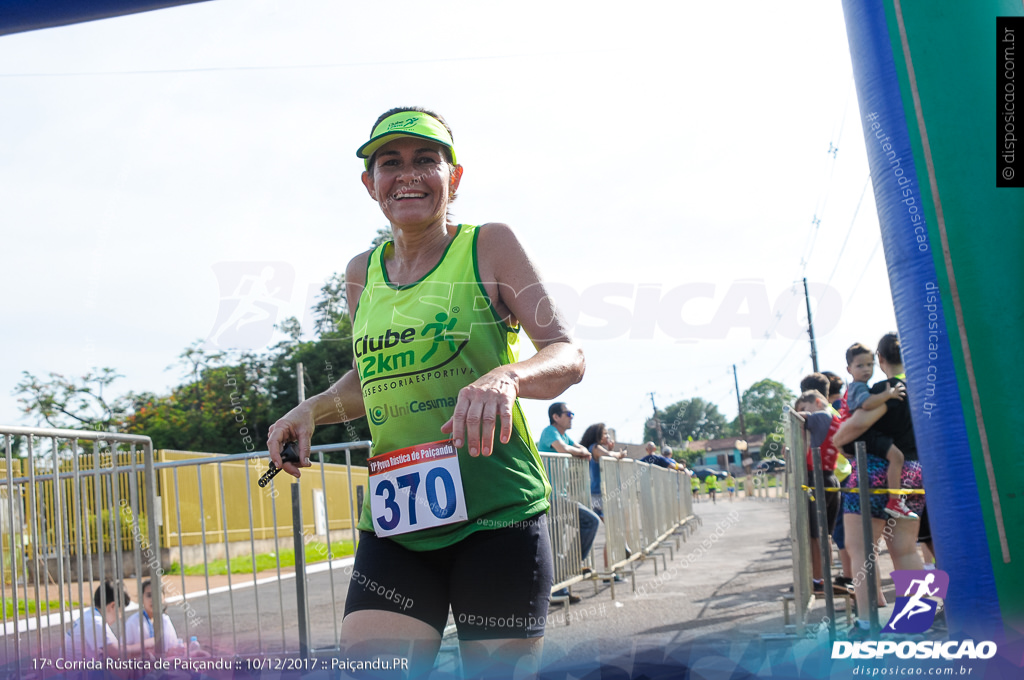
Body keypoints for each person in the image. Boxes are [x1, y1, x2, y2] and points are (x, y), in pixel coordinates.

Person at [267, 107, 585, 678]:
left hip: (498, 516)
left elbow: (567, 354)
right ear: (371, 185)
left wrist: (506, 377)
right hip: (398, 523)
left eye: (425, 161)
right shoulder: (361, 273)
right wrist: (311, 409)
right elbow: (372, 379)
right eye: (390, 163)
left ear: (453, 177)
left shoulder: (488, 245)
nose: (407, 174)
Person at [833, 333, 925, 638]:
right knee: (906, 549)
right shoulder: (921, 388)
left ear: (881, 361)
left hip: (874, 471)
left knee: (861, 550)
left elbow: (849, 431)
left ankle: (866, 623)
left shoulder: (884, 390)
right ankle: (914, 621)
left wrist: (837, 439)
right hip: (912, 472)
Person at [843, 342, 917, 519]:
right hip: (866, 434)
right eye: (860, 365)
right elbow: (867, 404)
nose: (866, 369)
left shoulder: (864, 386)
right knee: (896, 456)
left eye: (870, 364)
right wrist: (889, 395)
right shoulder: (858, 387)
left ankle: (895, 499)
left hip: (866, 434)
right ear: (849, 369)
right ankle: (894, 500)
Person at [537, 402, 601, 605]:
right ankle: (560, 585)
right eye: (568, 413)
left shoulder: (563, 434)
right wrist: (580, 452)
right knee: (584, 525)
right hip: (551, 498)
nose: (572, 417)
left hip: (561, 497)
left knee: (570, 534)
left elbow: (579, 447)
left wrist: (581, 451)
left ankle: (563, 581)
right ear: (556, 417)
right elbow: (564, 449)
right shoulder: (549, 432)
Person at [793, 390, 851, 596]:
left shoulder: (819, 416)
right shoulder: (836, 417)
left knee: (814, 536)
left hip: (815, 478)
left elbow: (796, 418)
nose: (802, 414)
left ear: (817, 402)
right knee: (823, 534)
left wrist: (794, 416)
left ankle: (817, 580)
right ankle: (821, 577)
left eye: (804, 408)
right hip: (830, 478)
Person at [65, 582, 152, 661]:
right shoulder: (96, 622)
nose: (120, 616)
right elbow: (120, 654)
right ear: (113, 605)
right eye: (121, 611)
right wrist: (149, 644)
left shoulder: (90, 615)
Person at [124, 579, 185, 656]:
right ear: (141, 598)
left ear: (163, 598)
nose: (153, 600)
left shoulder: (165, 620)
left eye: (157, 595)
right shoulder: (133, 622)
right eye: (149, 595)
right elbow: (122, 652)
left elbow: (172, 646)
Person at [578, 423, 626, 518]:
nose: (608, 436)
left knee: (606, 519)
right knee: (608, 519)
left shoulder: (592, 447)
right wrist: (621, 454)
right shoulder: (595, 447)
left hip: (596, 490)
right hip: (598, 491)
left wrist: (610, 449)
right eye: (605, 433)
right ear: (597, 435)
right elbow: (610, 455)